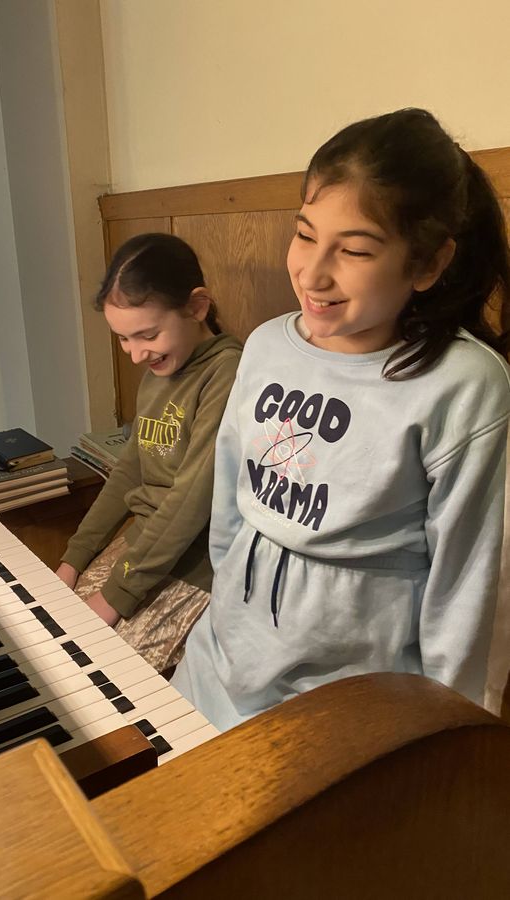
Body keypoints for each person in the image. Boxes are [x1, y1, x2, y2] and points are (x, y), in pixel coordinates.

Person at [172, 108, 510, 731]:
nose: (313, 272)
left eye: (353, 249)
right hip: (223, 660)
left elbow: (469, 589)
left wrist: (451, 739)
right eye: (305, 234)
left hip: (353, 701)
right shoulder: (269, 345)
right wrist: (228, 595)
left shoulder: (463, 385)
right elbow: (231, 498)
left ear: (428, 264)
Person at [56, 233, 242, 672]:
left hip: (195, 564)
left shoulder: (227, 372)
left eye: (147, 335)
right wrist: (74, 558)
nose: (136, 353)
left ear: (196, 307)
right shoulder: (162, 366)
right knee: (54, 642)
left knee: (99, 672)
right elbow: (129, 471)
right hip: (145, 544)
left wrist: (115, 596)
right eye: (122, 339)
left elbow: (190, 502)